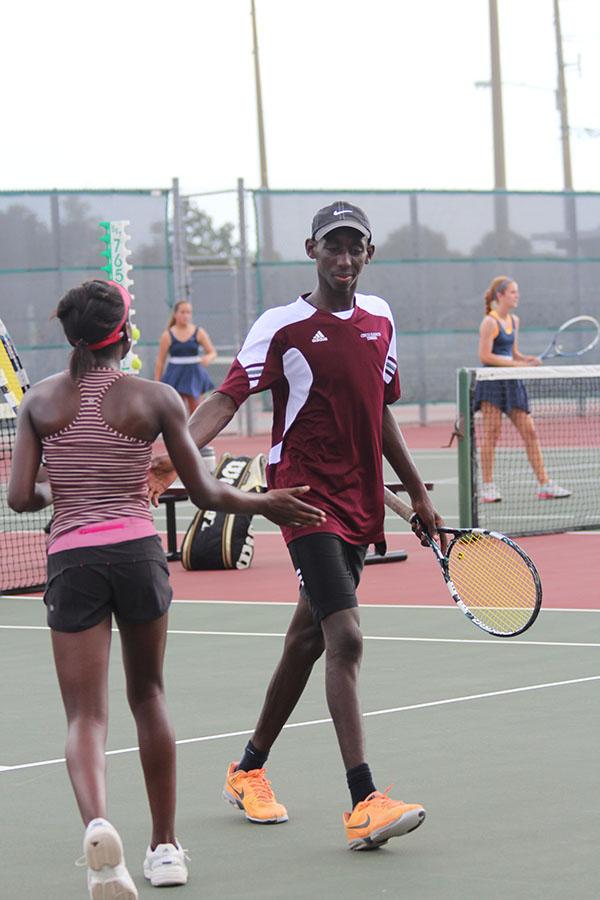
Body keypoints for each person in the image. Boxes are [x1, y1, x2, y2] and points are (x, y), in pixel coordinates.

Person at [8, 279, 324, 898]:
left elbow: (21, 497)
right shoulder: (154, 399)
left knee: (85, 716)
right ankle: (164, 850)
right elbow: (206, 492)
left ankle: (100, 829)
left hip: (72, 561)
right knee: (148, 695)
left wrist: (62, 484)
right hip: (136, 555)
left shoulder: (39, 404)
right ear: (123, 335)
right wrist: (267, 503)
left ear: (73, 337)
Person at [150, 201, 446, 852]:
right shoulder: (281, 325)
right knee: (346, 636)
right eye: (332, 247)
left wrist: (419, 491)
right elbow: (229, 395)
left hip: (362, 502)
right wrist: (174, 454)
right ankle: (365, 800)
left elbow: (382, 411)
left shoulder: (381, 320)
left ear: (369, 255)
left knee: (308, 639)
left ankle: (248, 768)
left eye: (355, 248)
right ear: (312, 249)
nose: (344, 259)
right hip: (303, 500)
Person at [474, 275, 571, 503]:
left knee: (530, 432)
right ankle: (487, 486)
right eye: (513, 292)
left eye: (517, 292)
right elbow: (485, 356)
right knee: (492, 434)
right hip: (492, 382)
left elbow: (513, 353)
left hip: (513, 381)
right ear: (500, 296)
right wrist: (516, 364)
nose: (517, 296)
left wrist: (526, 359)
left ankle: (545, 484)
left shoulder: (514, 321)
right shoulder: (490, 322)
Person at [154, 299, 217, 414]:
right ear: (175, 314)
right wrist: (157, 383)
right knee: (176, 410)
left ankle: (196, 432)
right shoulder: (167, 335)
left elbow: (212, 352)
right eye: (182, 312)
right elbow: (160, 361)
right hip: (175, 375)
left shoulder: (198, 332)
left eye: (188, 312)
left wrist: (208, 358)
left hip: (195, 374)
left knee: (196, 410)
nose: (186, 315)